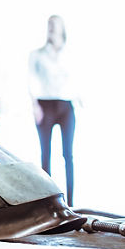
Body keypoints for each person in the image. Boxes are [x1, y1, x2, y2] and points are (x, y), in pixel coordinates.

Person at [29, 14, 78, 205]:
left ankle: (72, 203)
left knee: (68, 154)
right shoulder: (37, 54)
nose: (51, 28)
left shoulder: (70, 53)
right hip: (45, 104)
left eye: (54, 25)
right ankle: (48, 202)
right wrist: (35, 106)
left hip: (66, 105)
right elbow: (31, 80)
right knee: (45, 154)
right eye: (48, 24)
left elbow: (77, 80)